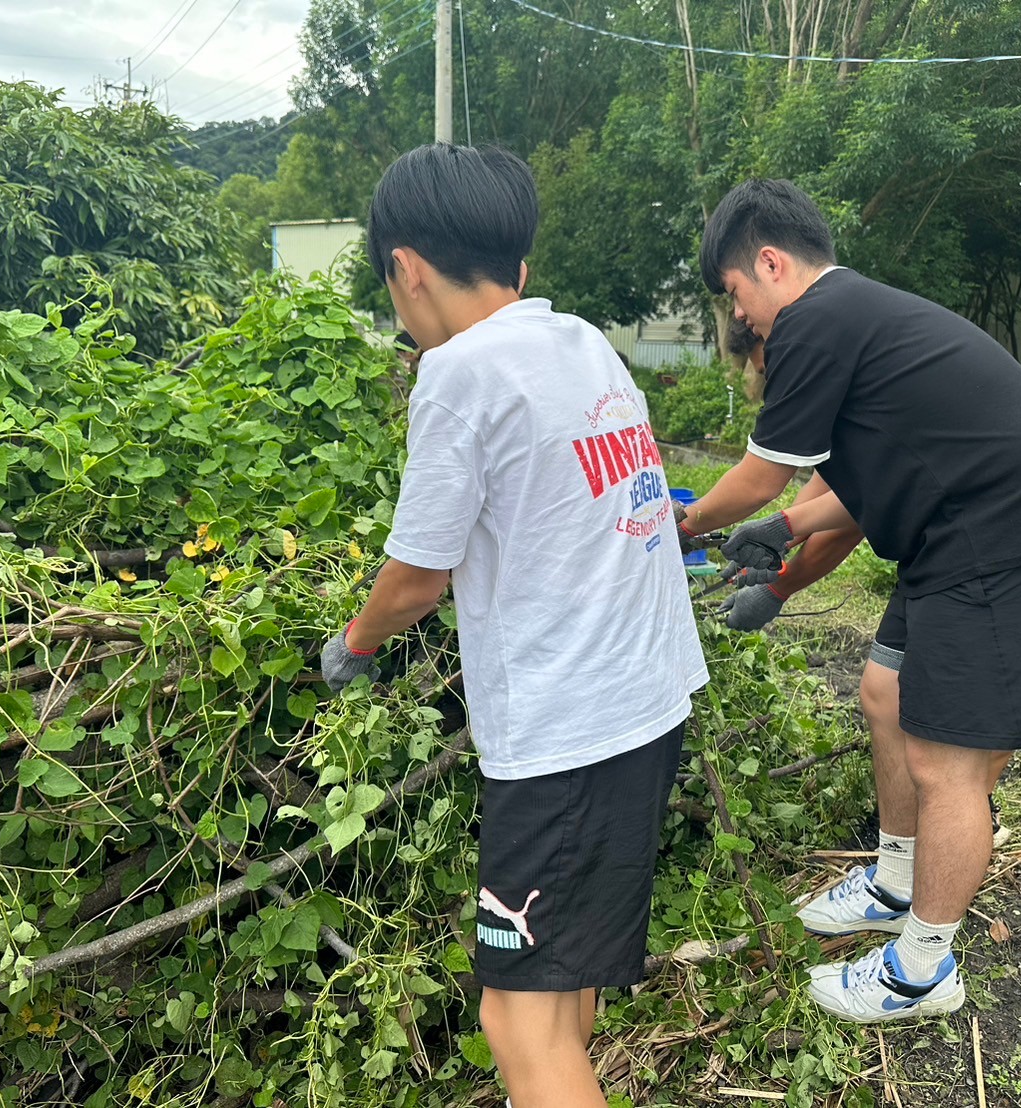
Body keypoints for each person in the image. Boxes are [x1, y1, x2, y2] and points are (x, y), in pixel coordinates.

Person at [319, 144, 707, 1108]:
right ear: (519, 266)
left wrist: (354, 646)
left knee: (511, 1018)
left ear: (404, 266)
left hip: (563, 738)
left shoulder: (458, 373)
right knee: (558, 985)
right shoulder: (579, 343)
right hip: (644, 703)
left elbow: (414, 578)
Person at [675, 178, 1021, 1024]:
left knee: (948, 764)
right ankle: (895, 878)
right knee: (883, 694)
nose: (743, 318)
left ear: (767, 262)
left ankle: (921, 969)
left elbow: (762, 471)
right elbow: (857, 486)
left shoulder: (816, 320)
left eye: (734, 294)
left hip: (1004, 543)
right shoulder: (859, 321)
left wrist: (676, 524)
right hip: (956, 533)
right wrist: (785, 535)